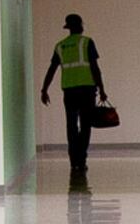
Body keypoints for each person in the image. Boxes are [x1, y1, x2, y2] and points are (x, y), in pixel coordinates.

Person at [40, 13, 105, 186]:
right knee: (85, 125)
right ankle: (81, 160)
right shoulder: (87, 42)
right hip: (87, 90)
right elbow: (95, 67)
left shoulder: (60, 46)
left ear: (68, 28)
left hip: (69, 91)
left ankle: (73, 160)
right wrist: (102, 89)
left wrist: (44, 89)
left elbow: (52, 69)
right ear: (81, 26)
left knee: (71, 125)